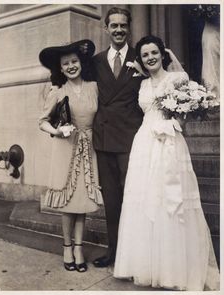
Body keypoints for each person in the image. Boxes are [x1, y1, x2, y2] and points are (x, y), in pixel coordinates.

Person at [114, 35, 220, 290]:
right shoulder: (142, 85)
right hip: (144, 143)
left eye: (154, 53)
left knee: (170, 199)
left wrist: (175, 124)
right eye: (145, 55)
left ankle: (173, 268)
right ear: (140, 59)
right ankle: (148, 264)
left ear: (163, 54)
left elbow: (186, 111)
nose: (150, 58)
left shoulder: (178, 79)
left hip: (169, 141)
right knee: (145, 198)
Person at [38, 39, 103, 273]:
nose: (71, 66)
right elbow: (42, 122)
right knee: (68, 203)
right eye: (66, 63)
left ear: (81, 63)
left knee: (82, 202)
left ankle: (79, 248)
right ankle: (67, 247)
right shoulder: (57, 91)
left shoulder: (94, 87)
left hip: (89, 147)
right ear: (61, 68)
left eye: (74, 61)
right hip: (66, 148)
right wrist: (57, 131)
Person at [92, 7, 144, 267]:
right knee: (111, 200)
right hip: (104, 140)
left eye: (124, 25)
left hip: (132, 140)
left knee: (133, 197)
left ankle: (135, 256)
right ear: (106, 29)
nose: (119, 30)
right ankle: (114, 252)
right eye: (114, 26)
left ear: (129, 28)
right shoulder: (97, 61)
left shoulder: (142, 57)